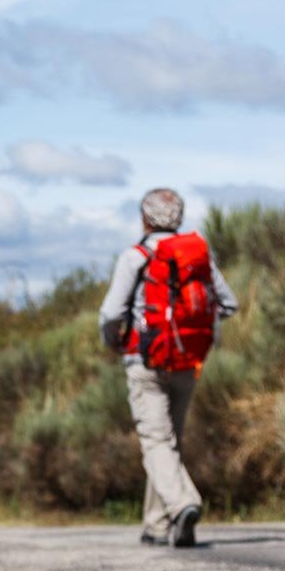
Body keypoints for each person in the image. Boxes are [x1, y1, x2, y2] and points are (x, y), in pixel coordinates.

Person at [98, 187, 238, 548]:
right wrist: (193, 328)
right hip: (188, 360)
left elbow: (112, 313)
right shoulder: (196, 257)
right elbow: (228, 303)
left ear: (144, 218)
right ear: (178, 217)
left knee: (156, 441)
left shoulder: (136, 257)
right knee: (169, 442)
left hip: (145, 361)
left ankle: (182, 504)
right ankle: (156, 524)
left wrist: (114, 340)